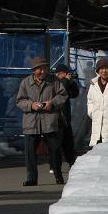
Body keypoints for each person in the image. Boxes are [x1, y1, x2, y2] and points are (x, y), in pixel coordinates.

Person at [16, 56, 69, 186]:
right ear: (34, 70)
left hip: (50, 121)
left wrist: (52, 103)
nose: (42, 72)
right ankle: (32, 178)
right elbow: (19, 101)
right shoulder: (25, 83)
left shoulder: (54, 81)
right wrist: (31, 105)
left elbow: (63, 95)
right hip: (31, 123)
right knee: (30, 153)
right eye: (39, 69)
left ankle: (58, 175)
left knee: (55, 151)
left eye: (44, 68)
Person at [54, 63, 79, 167]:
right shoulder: (54, 82)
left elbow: (74, 94)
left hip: (66, 118)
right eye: (64, 73)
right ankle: (54, 165)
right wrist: (66, 80)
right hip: (56, 118)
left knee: (68, 142)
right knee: (56, 143)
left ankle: (71, 162)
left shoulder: (67, 82)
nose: (66, 75)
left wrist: (72, 83)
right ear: (59, 73)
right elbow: (60, 91)